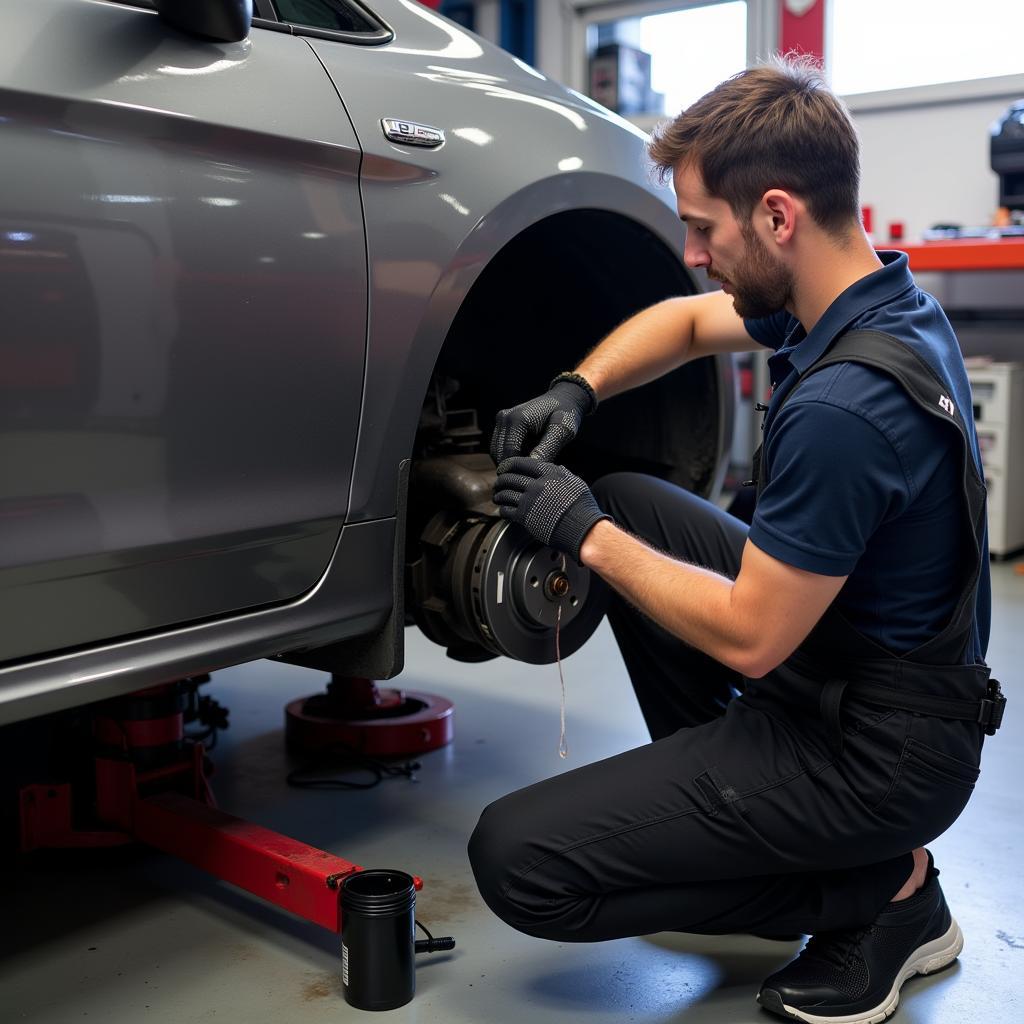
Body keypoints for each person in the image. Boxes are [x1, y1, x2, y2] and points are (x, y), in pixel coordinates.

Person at [467, 55, 1005, 1024]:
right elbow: (680, 322)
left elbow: (754, 636)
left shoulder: (847, 405)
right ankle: (750, 825)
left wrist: (581, 533)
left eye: (702, 227)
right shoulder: (871, 302)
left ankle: (883, 894)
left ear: (776, 215)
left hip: (880, 753)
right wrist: (573, 389)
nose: (692, 252)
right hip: (860, 669)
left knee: (518, 863)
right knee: (631, 496)